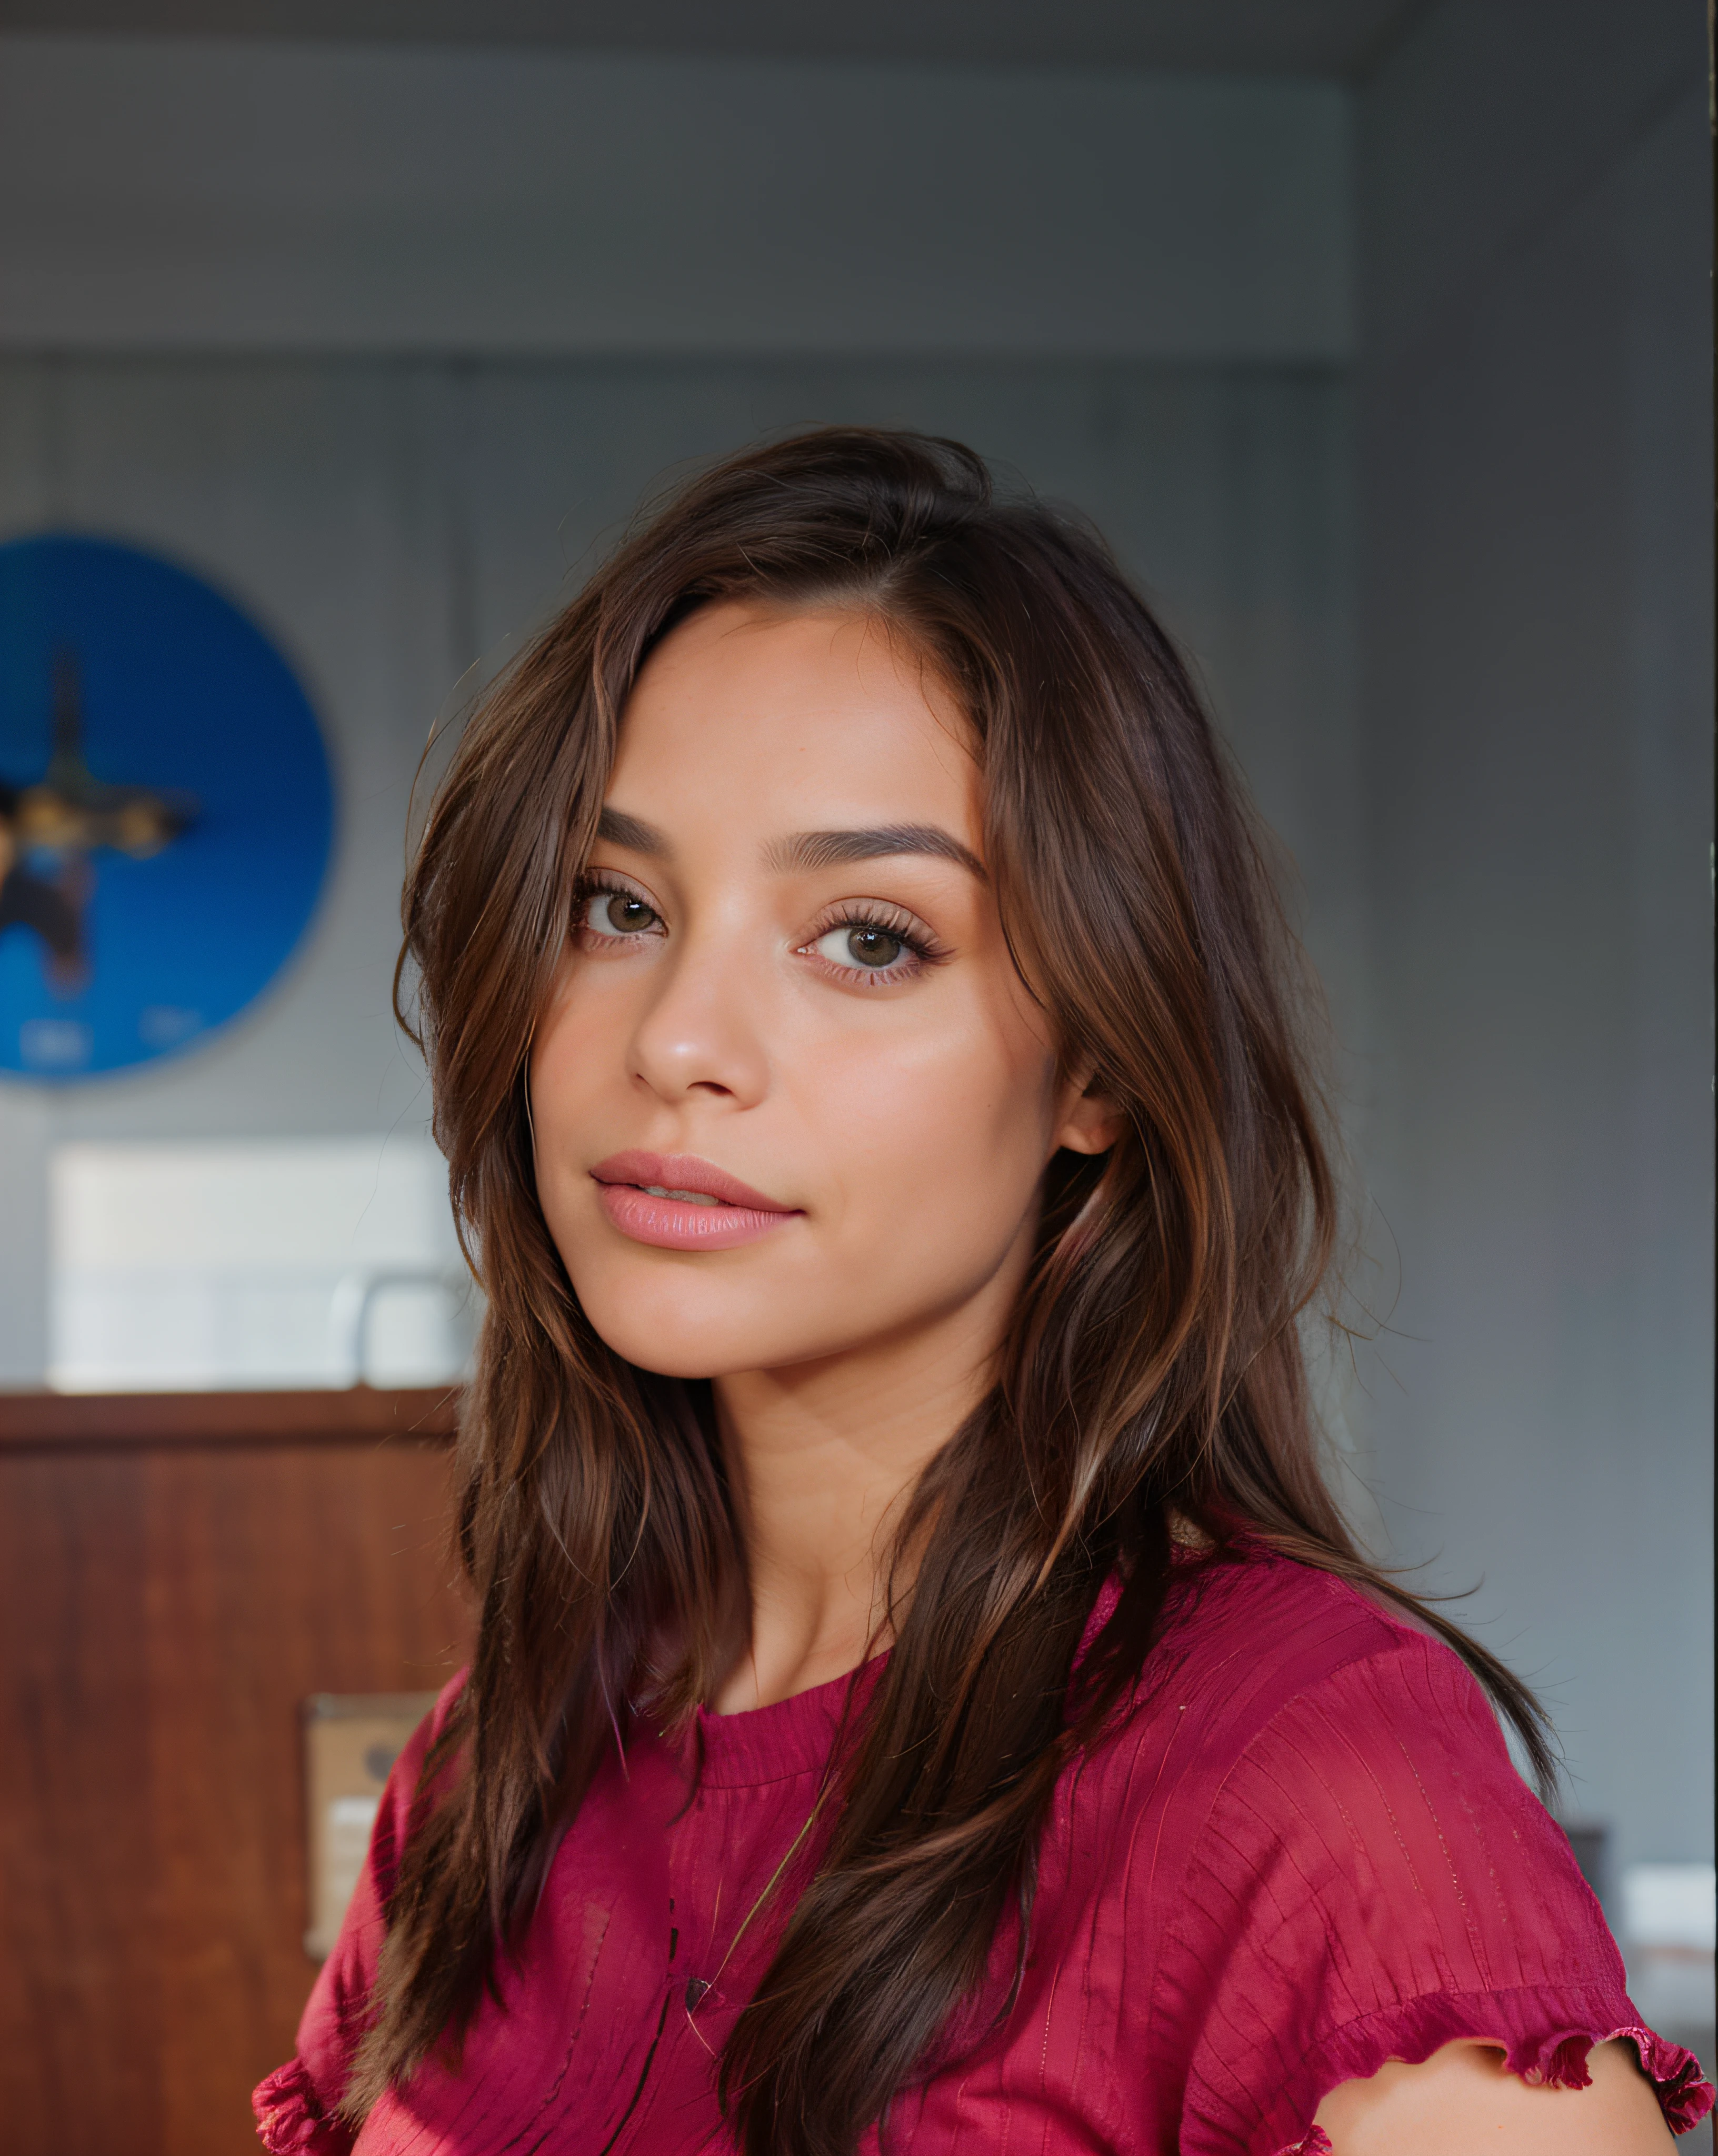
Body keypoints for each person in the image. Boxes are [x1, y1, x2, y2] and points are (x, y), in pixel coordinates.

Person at [255, 430, 1711, 2155]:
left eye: (869, 936)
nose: (678, 1044)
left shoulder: (1318, 1789)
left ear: (1099, 1064)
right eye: (615, 903)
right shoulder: (488, 1772)